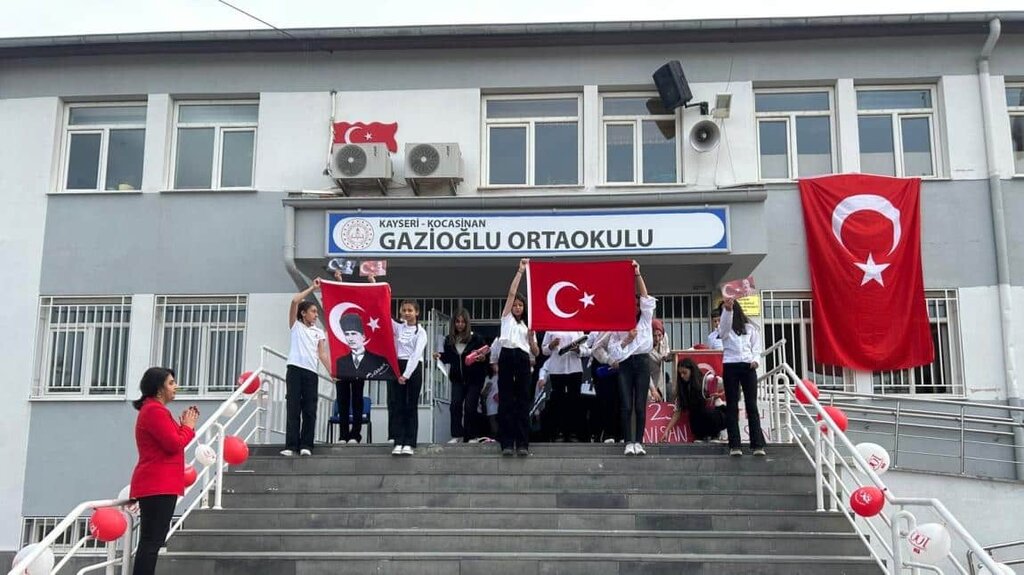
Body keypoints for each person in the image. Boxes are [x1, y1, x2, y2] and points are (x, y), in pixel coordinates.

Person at [129, 367, 197, 575]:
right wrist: (188, 427)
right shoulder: (154, 411)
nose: (175, 386)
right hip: (157, 485)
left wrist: (182, 426)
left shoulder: (155, 411)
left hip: (159, 484)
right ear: (159, 389)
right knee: (151, 542)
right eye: (171, 383)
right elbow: (173, 445)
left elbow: (169, 441)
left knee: (152, 541)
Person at [608, 261, 656, 456]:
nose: (636, 307)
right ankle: (628, 441)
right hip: (626, 364)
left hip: (643, 362)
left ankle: (639, 442)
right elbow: (613, 352)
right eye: (632, 305)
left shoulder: (645, 319)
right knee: (626, 404)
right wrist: (627, 339)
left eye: (637, 305)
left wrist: (637, 274)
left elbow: (645, 297)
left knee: (639, 405)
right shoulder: (619, 325)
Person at [497, 258, 540, 456]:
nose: (516, 307)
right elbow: (512, 292)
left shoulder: (526, 326)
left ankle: (522, 443)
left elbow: (536, 353)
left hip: (523, 358)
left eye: (520, 305)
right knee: (506, 401)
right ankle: (506, 443)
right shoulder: (506, 319)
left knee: (523, 401)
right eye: (514, 305)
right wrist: (520, 271)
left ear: (524, 308)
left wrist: (531, 339)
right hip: (507, 356)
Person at [284, 279, 331, 456]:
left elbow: (322, 354)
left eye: (317, 312)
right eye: (313, 312)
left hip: (311, 372)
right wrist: (313, 287)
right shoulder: (295, 326)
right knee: (293, 407)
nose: (316, 315)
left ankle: (306, 445)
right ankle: (291, 446)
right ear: (303, 314)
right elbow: (295, 301)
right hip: (295, 370)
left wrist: (331, 372)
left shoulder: (319, 332)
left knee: (310, 409)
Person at [334, 312, 394, 444]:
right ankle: (343, 435)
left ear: (363, 336)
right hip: (342, 376)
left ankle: (356, 434)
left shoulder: (376, 359)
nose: (350, 338)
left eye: (354, 333)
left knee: (357, 401)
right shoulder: (340, 361)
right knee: (342, 402)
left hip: (359, 377)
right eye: (347, 334)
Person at [719, 297, 766, 456]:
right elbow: (725, 325)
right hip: (730, 365)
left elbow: (756, 349)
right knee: (732, 405)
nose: (724, 314)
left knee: (751, 405)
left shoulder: (750, 328)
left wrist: (755, 361)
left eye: (731, 309)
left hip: (748, 366)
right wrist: (728, 309)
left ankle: (757, 444)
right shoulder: (724, 329)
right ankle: (735, 445)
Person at [436, 309, 489, 443]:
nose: (460, 325)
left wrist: (482, 358)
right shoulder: (449, 340)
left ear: (467, 323)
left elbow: (487, 357)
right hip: (457, 378)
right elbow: (448, 358)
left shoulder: (476, 338)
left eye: (463, 322)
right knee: (455, 405)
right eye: (457, 322)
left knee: (470, 406)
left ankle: (471, 436)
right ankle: (457, 435)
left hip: (475, 379)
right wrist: (439, 357)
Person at [659, 358, 726, 443]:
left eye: (684, 373)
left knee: (706, 411)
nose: (682, 376)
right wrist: (667, 431)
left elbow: (728, 385)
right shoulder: (683, 389)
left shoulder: (707, 379)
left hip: (717, 415)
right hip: (699, 419)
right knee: (694, 413)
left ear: (692, 371)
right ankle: (701, 435)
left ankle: (715, 434)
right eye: (680, 374)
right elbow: (677, 412)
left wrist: (720, 394)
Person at [541, 330, 589, 442]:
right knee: (558, 400)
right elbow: (544, 350)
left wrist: (578, 350)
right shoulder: (551, 327)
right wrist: (551, 346)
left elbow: (586, 350)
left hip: (574, 368)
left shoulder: (577, 327)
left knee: (574, 400)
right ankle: (559, 432)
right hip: (557, 369)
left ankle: (573, 432)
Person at [587, 331, 620, 444]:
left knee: (623, 402)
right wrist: (610, 360)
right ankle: (608, 433)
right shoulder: (608, 329)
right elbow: (595, 348)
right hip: (607, 370)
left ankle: (622, 434)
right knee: (608, 401)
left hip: (625, 370)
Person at [648, 319, 670, 402]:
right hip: (646, 379)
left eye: (659, 335)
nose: (657, 338)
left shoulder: (664, 337)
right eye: (654, 335)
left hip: (658, 377)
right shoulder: (644, 344)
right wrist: (653, 389)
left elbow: (666, 350)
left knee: (660, 402)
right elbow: (645, 371)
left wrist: (667, 356)